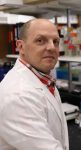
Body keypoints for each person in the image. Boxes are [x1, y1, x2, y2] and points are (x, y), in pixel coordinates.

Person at [0, 18, 69, 150]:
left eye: (55, 41)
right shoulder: (18, 96)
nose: (51, 47)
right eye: (40, 40)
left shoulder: (42, 77)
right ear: (21, 47)